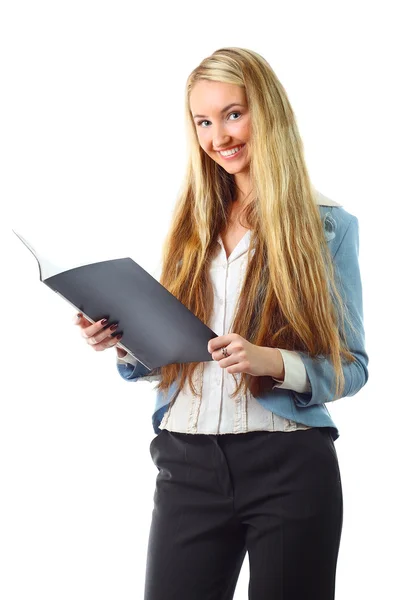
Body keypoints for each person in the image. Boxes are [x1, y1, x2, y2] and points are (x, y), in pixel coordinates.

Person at [74, 47, 369, 600]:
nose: (219, 136)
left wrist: (273, 362)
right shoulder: (191, 222)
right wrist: (124, 344)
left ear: (268, 113)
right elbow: (174, 348)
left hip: (288, 465)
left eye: (234, 114)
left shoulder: (329, 228)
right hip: (185, 464)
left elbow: (353, 367)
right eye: (203, 121)